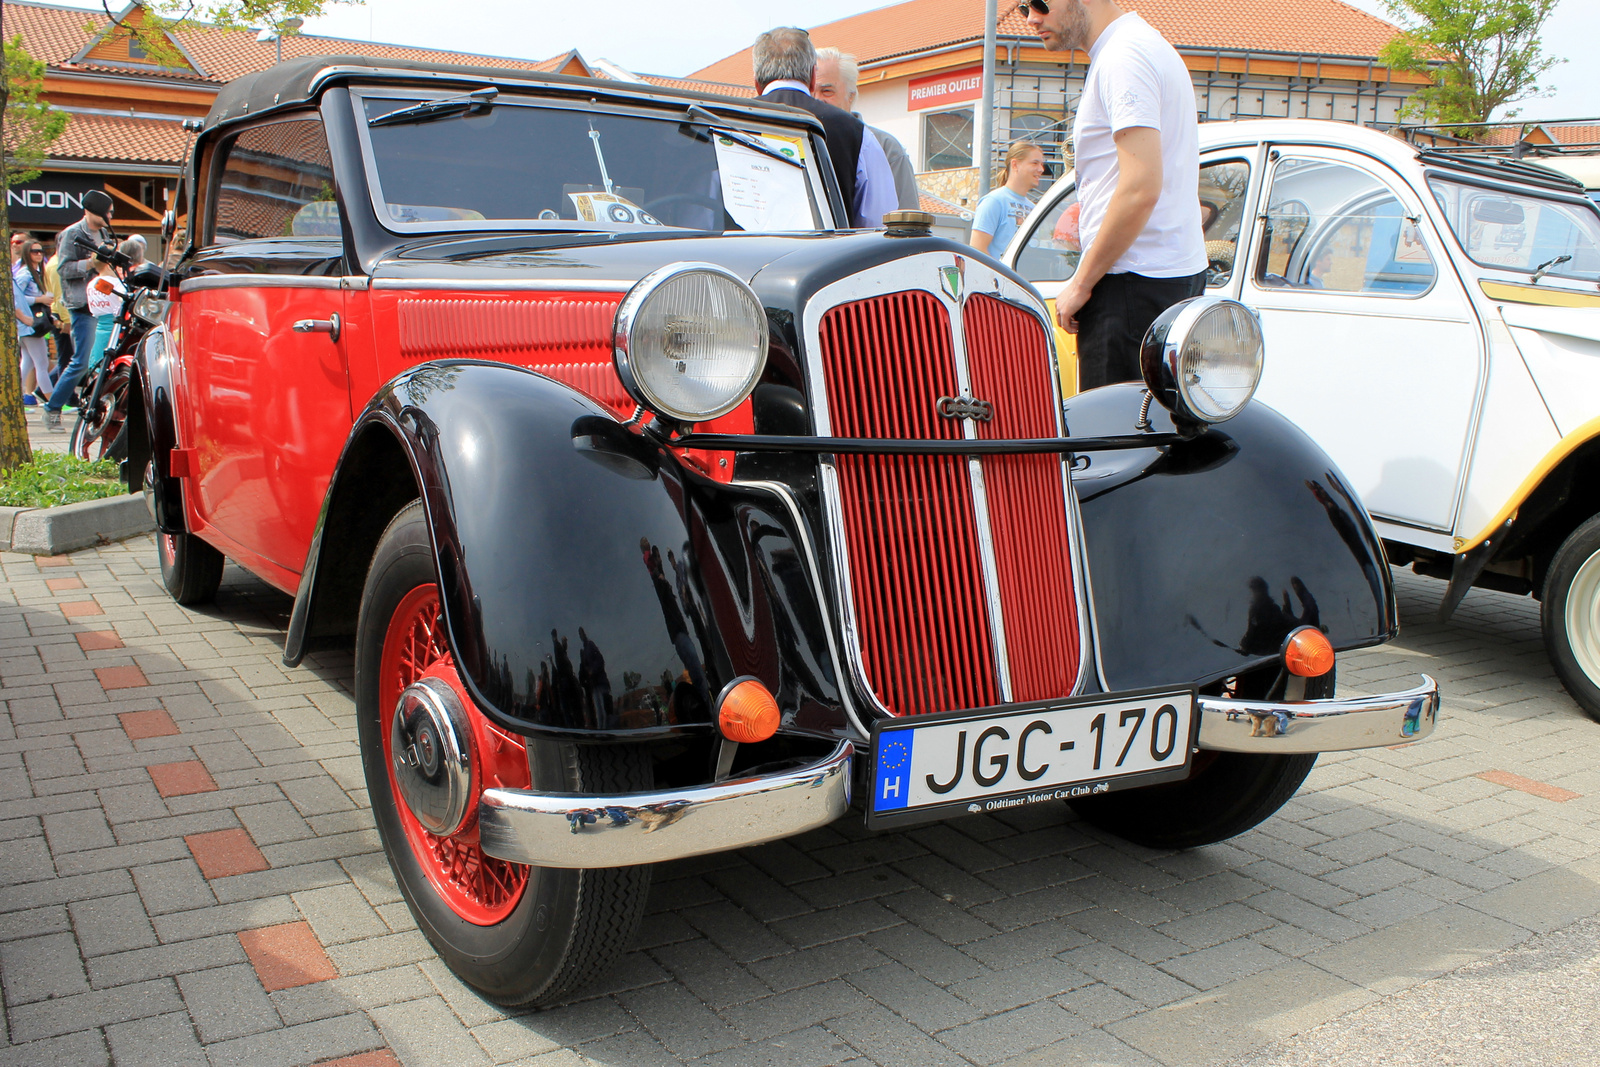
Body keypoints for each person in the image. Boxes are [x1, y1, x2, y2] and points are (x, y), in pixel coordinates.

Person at [1022, 0, 1208, 389]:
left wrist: (1082, 283)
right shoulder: (1141, 46)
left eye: (1039, 2)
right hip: (1158, 276)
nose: (1031, 17)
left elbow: (1140, 187)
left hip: (1131, 282)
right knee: (1155, 437)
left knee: (1113, 441)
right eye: (1024, 5)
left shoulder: (1124, 57)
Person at [753, 28, 898, 228]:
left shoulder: (719, 122)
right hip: (830, 257)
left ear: (756, 83)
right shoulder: (857, 134)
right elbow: (880, 224)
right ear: (813, 78)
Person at [814, 47, 921, 212]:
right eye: (810, 91)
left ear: (851, 96)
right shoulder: (799, 142)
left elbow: (908, 223)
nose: (817, 99)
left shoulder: (886, 149)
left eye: (827, 91)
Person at [47, 189, 117, 431]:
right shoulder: (72, 234)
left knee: (100, 359)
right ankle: (53, 409)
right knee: (82, 361)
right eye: (106, 212)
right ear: (92, 211)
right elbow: (64, 269)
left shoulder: (105, 232)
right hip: (82, 305)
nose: (109, 216)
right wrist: (91, 262)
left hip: (103, 301)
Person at [971, 141, 1046, 255]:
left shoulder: (1034, 208)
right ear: (1015, 164)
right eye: (1035, 163)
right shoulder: (994, 201)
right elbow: (977, 249)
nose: (1041, 169)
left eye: (1041, 164)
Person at [13, 241, 55, 405]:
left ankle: (13, 397)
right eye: (34, 251)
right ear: (26, 253)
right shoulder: (25, 274)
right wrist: (40, 299)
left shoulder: (35, 272)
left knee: (28, 362)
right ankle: (53, 401)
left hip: (29, 324)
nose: (39, 254)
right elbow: (16, 298)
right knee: (41, 363)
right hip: (30, 323)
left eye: (41, 251)